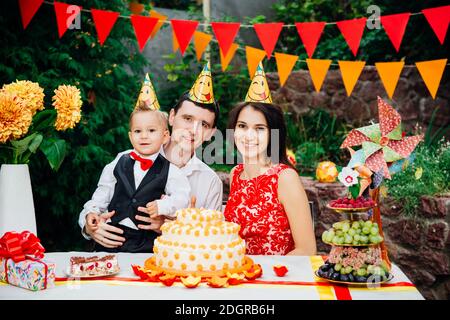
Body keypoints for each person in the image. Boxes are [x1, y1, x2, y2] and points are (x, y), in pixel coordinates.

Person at [80, 64, 223, 249]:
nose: (193, 130)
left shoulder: (210, 182)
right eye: (187, 119)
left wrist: (170, 227)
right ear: (171, 117)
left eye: (204, 124)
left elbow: (212, 241)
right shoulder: (125, 160)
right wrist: (89, 225)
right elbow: (99, 199)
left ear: (212, 133)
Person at [224, 63, 316, 256]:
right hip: (238, 279)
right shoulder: (236, 174)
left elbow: (307, 250)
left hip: (276, 280)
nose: (248, 135)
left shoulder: (285, 178)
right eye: (242, 126)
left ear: (273, 134)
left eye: (259, 128)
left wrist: (263, 273)